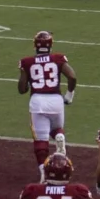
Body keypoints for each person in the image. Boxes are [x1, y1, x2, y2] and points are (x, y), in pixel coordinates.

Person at [19, 30, 77, 169]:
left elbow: (22, 89)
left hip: (38, 101)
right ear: (50, 45)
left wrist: (25, 76)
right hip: (56, 100)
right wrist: (69, 94)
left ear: (35, 46)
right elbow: (72, 76)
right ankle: (59, 137)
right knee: (56, 128)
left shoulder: (27, 62)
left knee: (41, 139)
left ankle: (43, 171)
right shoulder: (58, 58)